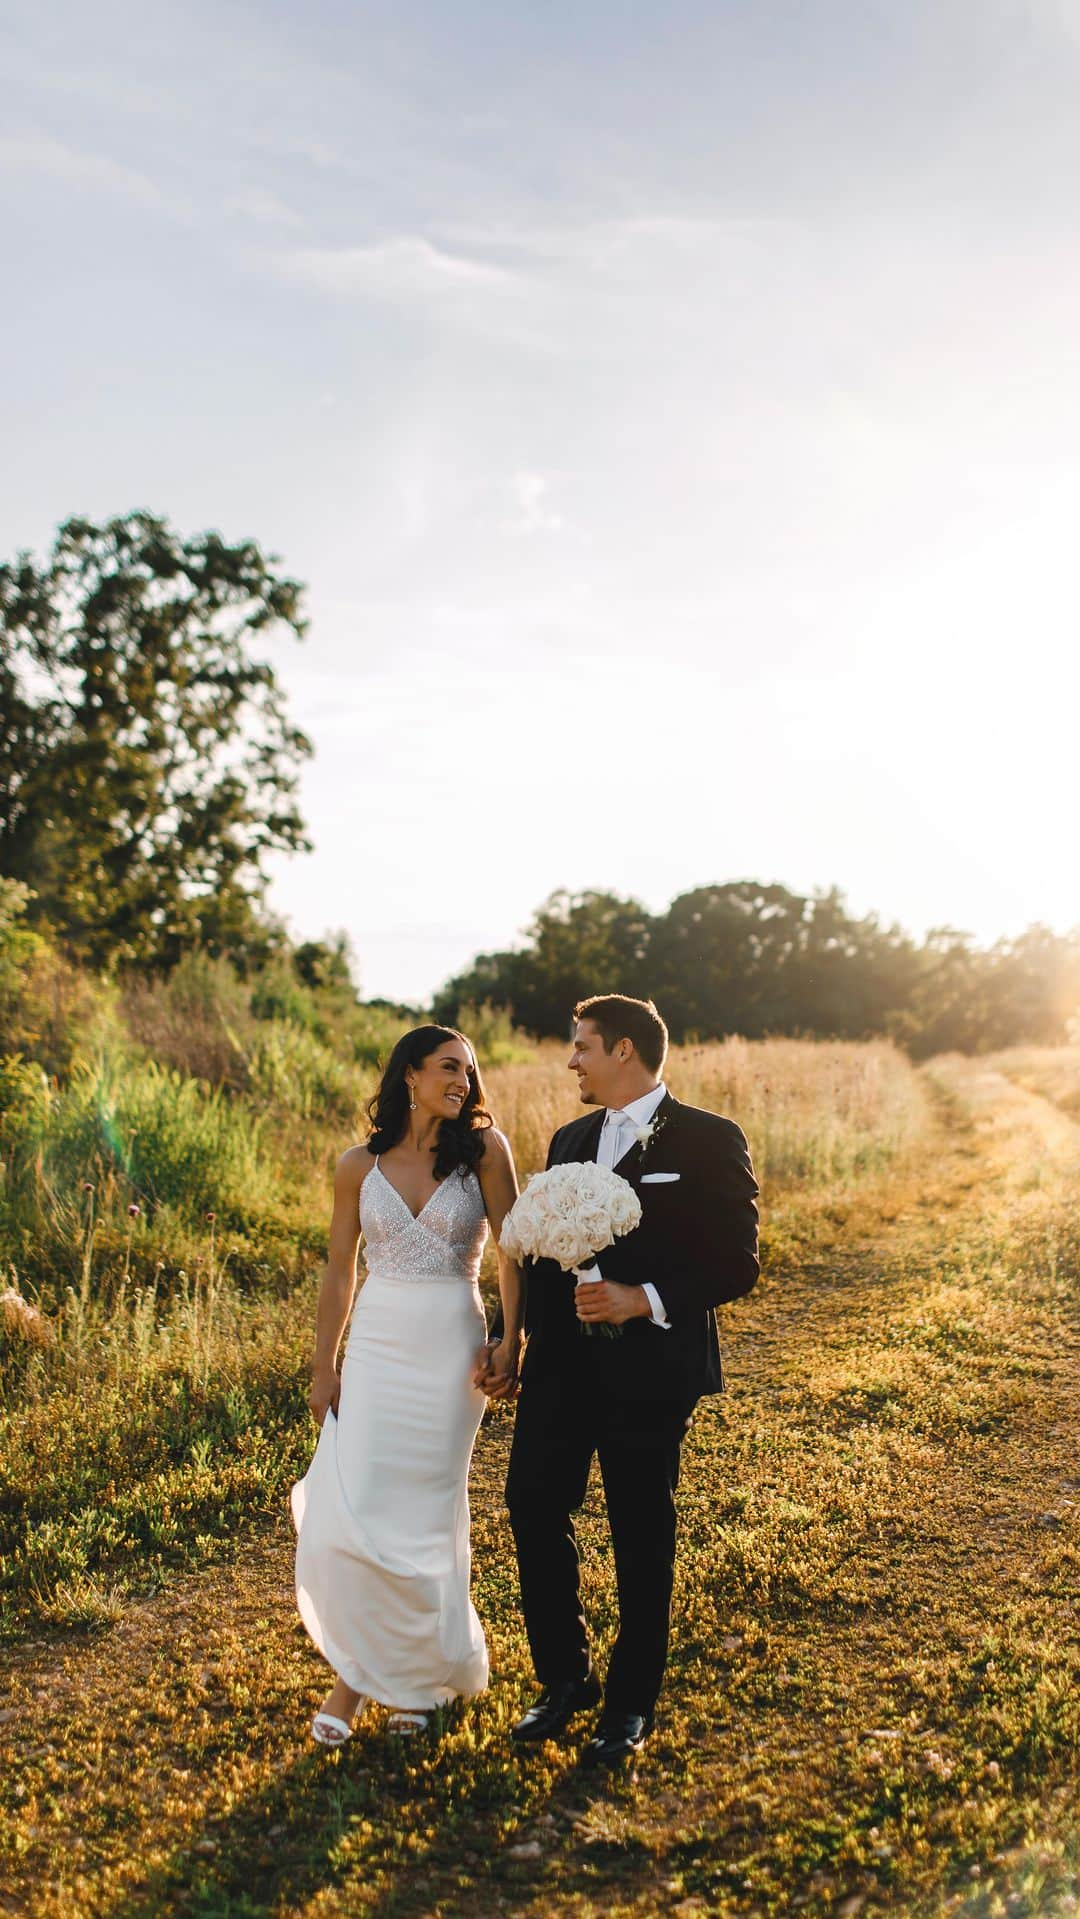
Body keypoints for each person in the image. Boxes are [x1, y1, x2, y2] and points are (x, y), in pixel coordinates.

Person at [478, 993, 759, 1767]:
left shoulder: (708, 1138)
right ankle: (563, 1678)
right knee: (532, 1503)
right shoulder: (570, 1136)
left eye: (582, 1046)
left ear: (625, 1051)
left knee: (640, 1527)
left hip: (652, 1372)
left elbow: (739, 1260)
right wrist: (511, 1340)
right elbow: (538, 1248)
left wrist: (644, 1299)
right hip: (562, 1368)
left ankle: (629, 1702)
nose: (571, 1060)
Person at [292, 1025, 523, 1746]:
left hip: (451, 1349)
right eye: (450, 1067)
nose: (464, 1079)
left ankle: (377, 1687)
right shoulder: (357, 1165)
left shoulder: (485, 1151)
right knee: (358, 1506)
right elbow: (339, 1270)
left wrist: (514, 1339)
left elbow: (516, 1254)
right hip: (379, 1347)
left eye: (471, 1070)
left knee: (424, 1512)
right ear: (411, 1074)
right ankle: (396, 1679)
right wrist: (325, 1363)